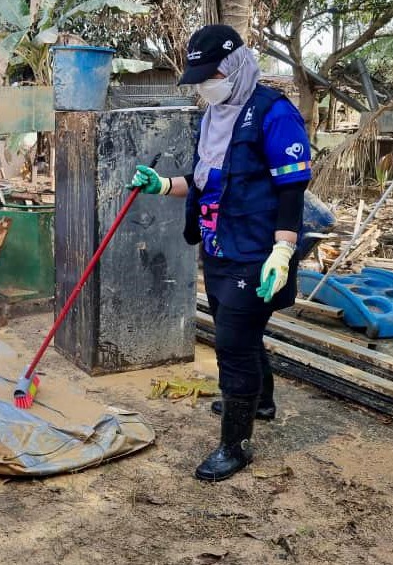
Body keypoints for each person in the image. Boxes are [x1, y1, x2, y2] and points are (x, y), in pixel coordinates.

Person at [130, 24, 311, 482]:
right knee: (240, 330)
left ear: (233, 66)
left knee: (231, 342)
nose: (206, 86)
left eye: (211, 75)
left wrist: (283, 251)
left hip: (259, 249)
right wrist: (163, 185)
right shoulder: (214, 118)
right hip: (217, 245)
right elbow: (207, 182)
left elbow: (292, 190)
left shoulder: (274, 113)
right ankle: (261, 401)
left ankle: (237, 444)